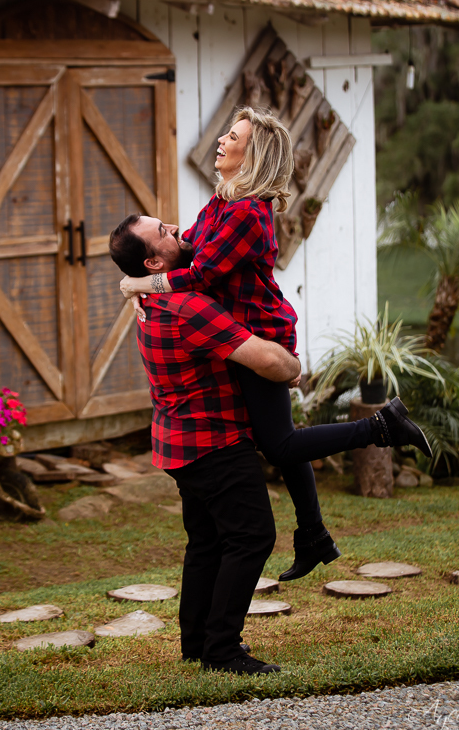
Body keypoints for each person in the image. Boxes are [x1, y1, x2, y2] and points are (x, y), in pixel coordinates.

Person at [117, 107, 432, 581]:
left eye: (233, 137)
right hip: (240, 331)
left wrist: (139, 287)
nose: (221, 140)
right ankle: (314, 537)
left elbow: (200, 273)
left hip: (262, 334)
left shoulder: (248, 211)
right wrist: (136, 278)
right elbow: (185, 246)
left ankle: (382, 427)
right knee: (280, 441)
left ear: (253, 156)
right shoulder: (224, 201)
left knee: (280, 443)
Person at [111, 231, 300, 674]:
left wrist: (132, 284)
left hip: (178, 441)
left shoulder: (152, 300)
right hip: (214, 442)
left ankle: (196, 642)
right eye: (163, 233)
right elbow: (268, 362)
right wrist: (292, 367)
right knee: (253, 536)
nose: (175, 231)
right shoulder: (188, 308)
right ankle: (222, 650)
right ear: (155, 265)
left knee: (207, 543)